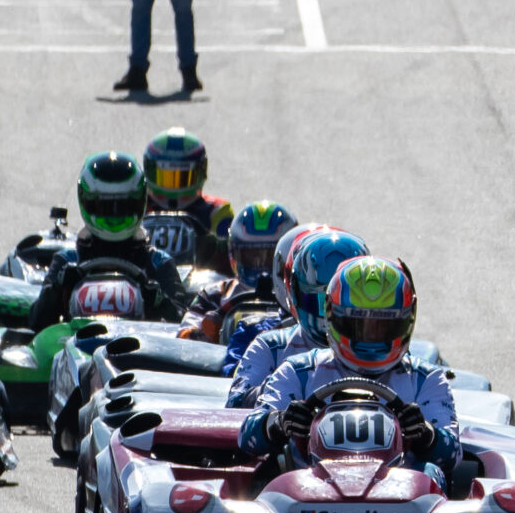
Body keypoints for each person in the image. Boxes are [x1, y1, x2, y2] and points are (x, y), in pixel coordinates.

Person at [241, 256, 461, 482]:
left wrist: (426, 434)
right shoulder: (299, 372)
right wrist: (279, 422)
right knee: (267, 472)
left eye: (383, 326)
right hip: (307, 490)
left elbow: (452, 455)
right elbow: (247, 437)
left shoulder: (425, 379)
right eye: (359, 324)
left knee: (431, 474)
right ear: (331, 315)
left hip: (401, 494)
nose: (371, 337)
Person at [28, 151, 190, 330]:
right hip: (76, 342)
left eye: (123, 207)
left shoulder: (158, 262)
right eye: (105, 206)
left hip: (136, 344)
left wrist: (159, 301)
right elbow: (36, 324)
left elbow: (184, 325)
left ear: (141, 201)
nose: (114, 216)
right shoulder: (68, 260)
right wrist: (57, 289)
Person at [224, 226, 370, 404]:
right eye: (321, 302)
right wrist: (284, 387)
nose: (331, 315)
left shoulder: (385, 357)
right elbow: (236, 404)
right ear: (295, 293)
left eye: (345, 307)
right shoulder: (271, 347)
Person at [181, 200, 295, 344]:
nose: (260, 266)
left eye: (269, 257)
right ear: (234, 253)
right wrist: (205, 333)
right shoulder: (214, 295)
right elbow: (183, 339)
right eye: (252, 256)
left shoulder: (297, 296)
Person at [140, 127, 235, 274]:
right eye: (166, 178)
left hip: (199, 282)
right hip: (144, 279)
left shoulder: (217, 211)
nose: (173, 187)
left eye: (183, 177)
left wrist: (216, 243)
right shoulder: (138, 207)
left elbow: (230, 257)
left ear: (201, 172)